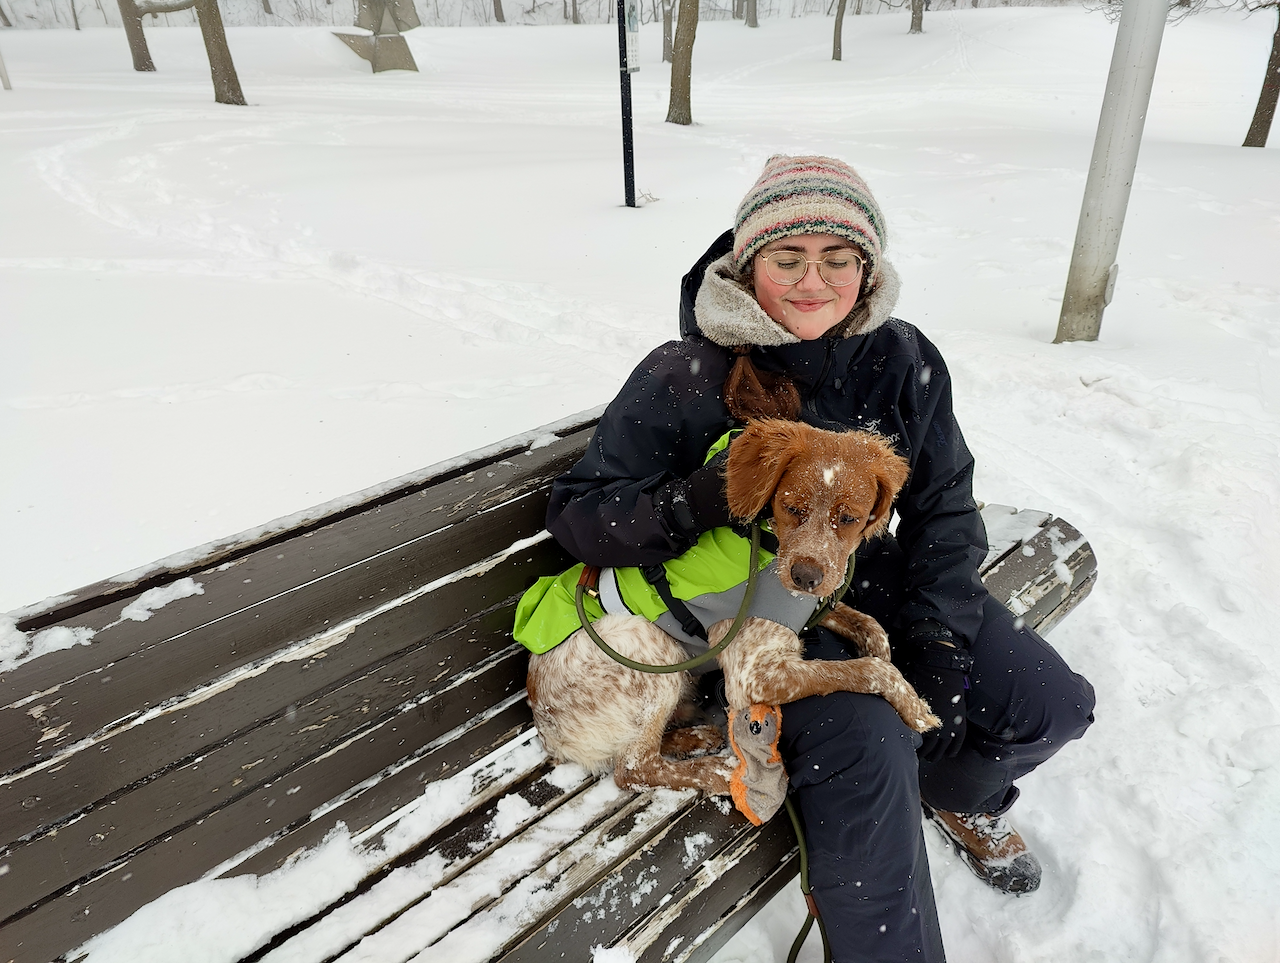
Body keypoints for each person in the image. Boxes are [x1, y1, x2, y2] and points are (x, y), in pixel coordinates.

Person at [543, 155, 1095, 961]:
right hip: (755, 613)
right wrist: (695, 500)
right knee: (869, 750)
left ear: (866, 268)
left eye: (838, 258)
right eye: (787, 258)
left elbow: (944, 506)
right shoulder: (686, 373)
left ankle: (956, 795)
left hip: (876, 582)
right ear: (747, 262)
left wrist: (937, 639)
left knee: (1053, 703)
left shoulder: (902, 356)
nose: (813, 281)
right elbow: (576, 517)